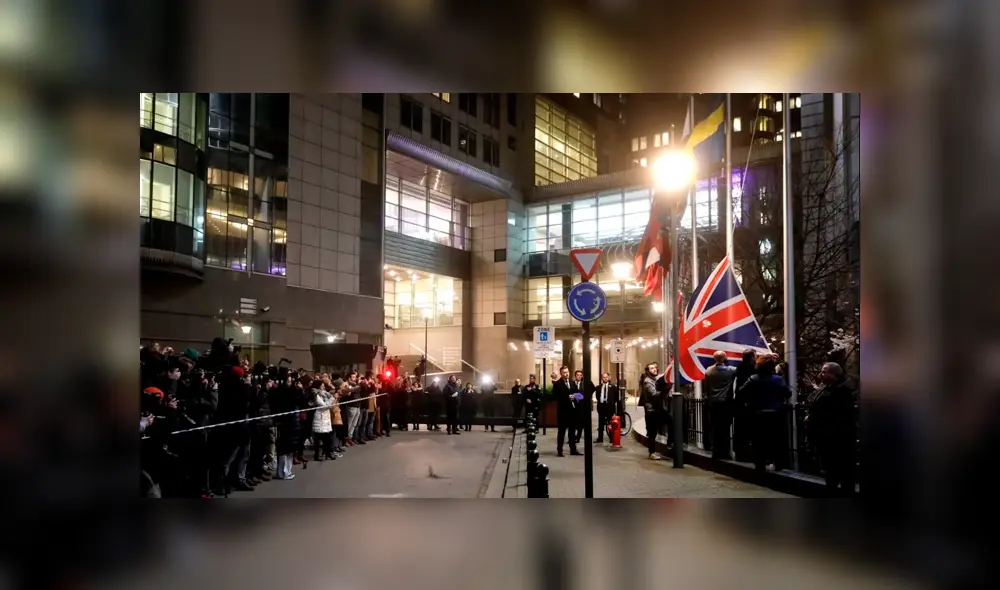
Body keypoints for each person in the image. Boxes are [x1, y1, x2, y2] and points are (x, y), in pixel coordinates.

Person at [806, 362, 858, 495]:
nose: (821, 374)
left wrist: (815, 418)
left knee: (842, 471)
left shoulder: (842, 391)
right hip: (827, 437)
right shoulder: (828, 388)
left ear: (834, 375)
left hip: (837, 438)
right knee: (830, 472)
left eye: (824, 372)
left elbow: (836, 414)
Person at [738, 355, 791, 472]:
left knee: (759, 441)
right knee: (777, 440)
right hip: (776, 414)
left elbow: (741, 392)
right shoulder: (778, 379)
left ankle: (760, 464)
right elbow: (788, 393)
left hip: (758, 413)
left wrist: (750, 401)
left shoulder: (753, 379)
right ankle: (778, 463)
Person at [702, 351, 738, 460]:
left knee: (715, 426)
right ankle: (725, 452)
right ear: (723, 358)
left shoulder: (708, 371)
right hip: (725, 402)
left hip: (713, 403)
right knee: (725, 428)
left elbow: (706, 387)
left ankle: (715, 451)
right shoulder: (730, 370)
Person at [732, 349, 757, 462]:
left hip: (739, 401)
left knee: (739, 428)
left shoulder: (740, 366)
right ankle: (746, 453)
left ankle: (739, 451)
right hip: (748, 402)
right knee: (748, 428)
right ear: (752, 357)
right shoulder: (752, 368)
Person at [552, 366, 581, 457]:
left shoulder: (572, 383)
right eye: (564, 372)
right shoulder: (557, 384)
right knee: (562, 431)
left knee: (572, 431)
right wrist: (567, 398)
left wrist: (575, 397)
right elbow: (555, 397)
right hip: (563, 411)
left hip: (572, 411)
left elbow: (579, 394)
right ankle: (559, 450)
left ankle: (573, 449)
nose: (566, 374)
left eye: (567, 372)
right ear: (561, 374)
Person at [640, 362, 665, 460]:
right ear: (648, 371)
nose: (654, 369)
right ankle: (652, 452)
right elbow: (654, 394)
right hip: (651, 410)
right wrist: (664, 390)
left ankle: (654, 451)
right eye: (651, 368)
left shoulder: (655, 379)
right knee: (652, 432)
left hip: (655, 409)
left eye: (655, 367)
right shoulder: (647, 381)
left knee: (655, 431)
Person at [309, 380, 336, 461]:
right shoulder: (316, 395)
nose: (323, 388)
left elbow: (329, 405)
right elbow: (324, 406)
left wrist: (330, 398)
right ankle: (317, 455)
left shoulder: (325, 394)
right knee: (318, 439)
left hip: (326, 418)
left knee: (327, 438)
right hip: (319, 418)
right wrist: (331, 399)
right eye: (322, 386)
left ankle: (327, 453)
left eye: (324, 386)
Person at [595, 372, 619, 444]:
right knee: (600, 423)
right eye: (603, 377)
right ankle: (600, 438)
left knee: (610, 423)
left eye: (606, 377)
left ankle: (611, 438)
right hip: (601, 406)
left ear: (609, 378)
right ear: (602, 378)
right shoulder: (598, 387)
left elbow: (616, 397)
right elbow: (597, 397)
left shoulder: (613, 387)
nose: (605, 378)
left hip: (609, 407)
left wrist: (611, 402)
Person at [571, 370, 593, 445]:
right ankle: (572, 437)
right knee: (573, 423)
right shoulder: (572, 383)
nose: (579, 376)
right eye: (577, 375)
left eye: (580, 375)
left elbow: (592, 388)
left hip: (582, 406)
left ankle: (578, 437)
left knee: (580, 423)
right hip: (574, 406)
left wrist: (587, 396)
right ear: (575, 376)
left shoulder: (585, 383)